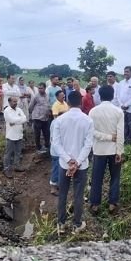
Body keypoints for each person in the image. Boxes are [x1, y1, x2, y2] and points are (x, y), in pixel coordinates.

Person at [50, 91, 94, 233]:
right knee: (78, 194)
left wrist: (69, 161)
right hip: (81, 166)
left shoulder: (60, 120)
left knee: (63, 193)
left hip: (64, 165)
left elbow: (56, 144)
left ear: (67, 103)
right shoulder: (87, 120)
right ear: (80, 103)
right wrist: (78, 162)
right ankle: (77, 224)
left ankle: (61, 224)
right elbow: (88, 145)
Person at [89, 84, 125, 215]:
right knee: (115, 177)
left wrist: (106, 137)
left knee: (96, 178)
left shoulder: (93, 111)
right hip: (114, 150)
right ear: (112, 95)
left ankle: (95, 204)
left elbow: (92, 132)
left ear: (100, 95)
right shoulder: (118, 111)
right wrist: (120, 151)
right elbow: (120, 133)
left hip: (99, 150)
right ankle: (112, 203)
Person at [2, 95, 28, 177]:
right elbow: (11, 120)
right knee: (8, 153)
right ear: (9, 102)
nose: (15, 103)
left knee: (18, 152)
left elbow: (25, 119)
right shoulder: (7, 111)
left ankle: (17, 166)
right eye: (14, 101)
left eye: (16, 101)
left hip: (19, 134)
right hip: (11, 135)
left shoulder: (19, 109)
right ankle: (6, 169)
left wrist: (16, 121)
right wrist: (19, 120)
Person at [50, 89, 69, 187]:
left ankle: (59, 183)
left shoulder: (65, 104)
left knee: (60, 166)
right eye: (62, 96)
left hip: (60, 149)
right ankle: (53, 185)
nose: (64, 97)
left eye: (64, 96)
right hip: (56, 150)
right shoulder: (56, 123)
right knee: (56, 167)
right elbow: (54, 139)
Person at [29, 82, 52, 154]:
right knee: (37, 134)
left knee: (47, 133)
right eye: (39, 88)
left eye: (41, 88)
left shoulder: (47, 96)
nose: (39, 89)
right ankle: (38, 147)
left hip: (45, 118)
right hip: (37, 118)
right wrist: (32, 115)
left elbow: (48, 105)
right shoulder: (35, 96)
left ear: (45, 88)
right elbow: (30, 107)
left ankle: (47, 146)